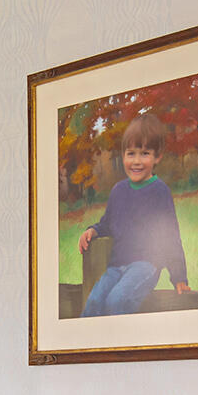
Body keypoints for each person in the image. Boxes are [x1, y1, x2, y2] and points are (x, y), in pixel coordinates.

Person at [77, 112, 190, 317]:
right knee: (93, 301)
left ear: (157, 157)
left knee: (117, 299)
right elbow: (108, 223)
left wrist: (179, 277)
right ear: (123, 156)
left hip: (146, 265)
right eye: (131, 153)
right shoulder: (118, 191)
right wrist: (92, 230)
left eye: (145, 153)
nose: (136, 161)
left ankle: (119, 346)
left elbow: (170, 237)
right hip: (116, 266)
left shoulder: (159, 191)